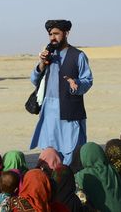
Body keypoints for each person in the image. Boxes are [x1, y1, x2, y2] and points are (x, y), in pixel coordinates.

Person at [30, 19, 93, 165]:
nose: (53, 37)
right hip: (49, 111)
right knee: (50, 150)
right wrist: (41, 63)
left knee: (71, 150)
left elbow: (88, 80)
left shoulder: (78, 56)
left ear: (66, 33)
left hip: (70, 110)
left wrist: (76, 83)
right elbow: (34, 80)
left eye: (56, 34)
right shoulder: (48, 56)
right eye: (50, 34)